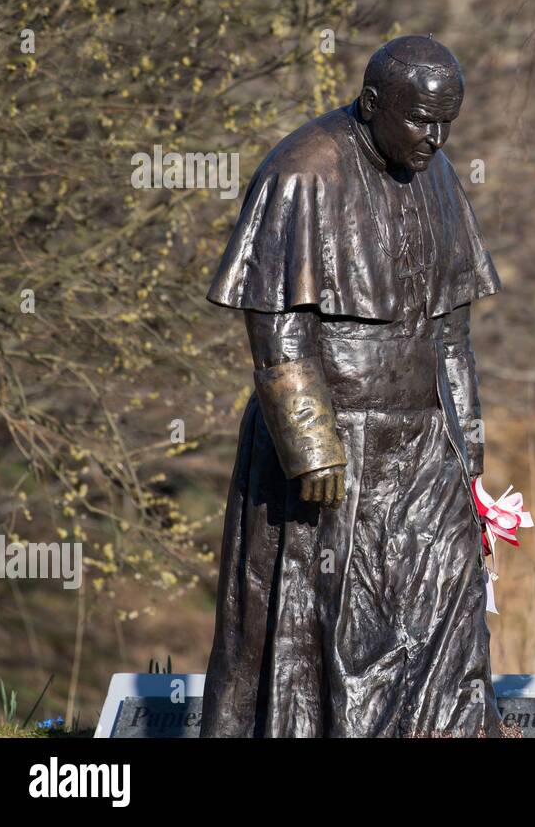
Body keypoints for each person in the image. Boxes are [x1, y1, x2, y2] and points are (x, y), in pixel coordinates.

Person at [201, 36, 503, 737]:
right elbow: (275, 325)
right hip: (336, 440)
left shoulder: (437, 171)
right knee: (330, 623)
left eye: (446, 122)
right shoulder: (303, 171)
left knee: (447, 604)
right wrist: (312, 447)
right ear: (372, 104)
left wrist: (470, 455)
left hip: (425, 441)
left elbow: (452, 329)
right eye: (422, 120)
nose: (436, 137)